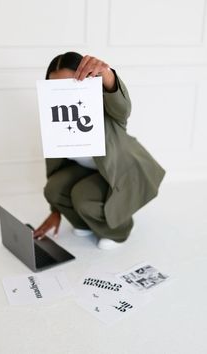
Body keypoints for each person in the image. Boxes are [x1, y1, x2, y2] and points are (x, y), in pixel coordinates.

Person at [34, 52, 165, 250]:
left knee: (82, 197)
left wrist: (106, 74)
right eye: (56, 87)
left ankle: (119, 230)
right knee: (53, 188)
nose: (65, 93)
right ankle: (84, 223)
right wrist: (56, 211)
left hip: (120, 169)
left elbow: (123, 108)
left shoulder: (105, 109)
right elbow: (55, 168)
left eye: (71, 85)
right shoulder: (55, 118)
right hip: (89, 170)